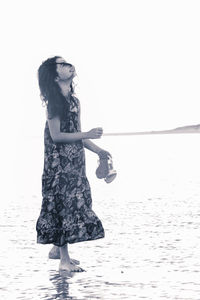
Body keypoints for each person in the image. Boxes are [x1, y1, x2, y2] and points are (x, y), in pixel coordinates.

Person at [36, 56, 111, 272]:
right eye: (62, 64)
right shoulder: (54, 102)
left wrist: (99, 150)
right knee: (63, 206)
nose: (68, 65)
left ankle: (56, 250)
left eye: (67, 62)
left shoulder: (74, 101)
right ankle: (64, 261)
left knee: (74, 203)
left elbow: (77, 134)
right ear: (55, 74)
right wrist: (87, 133)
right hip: (58, 165)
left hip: (76, 163)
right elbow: (57, 135)